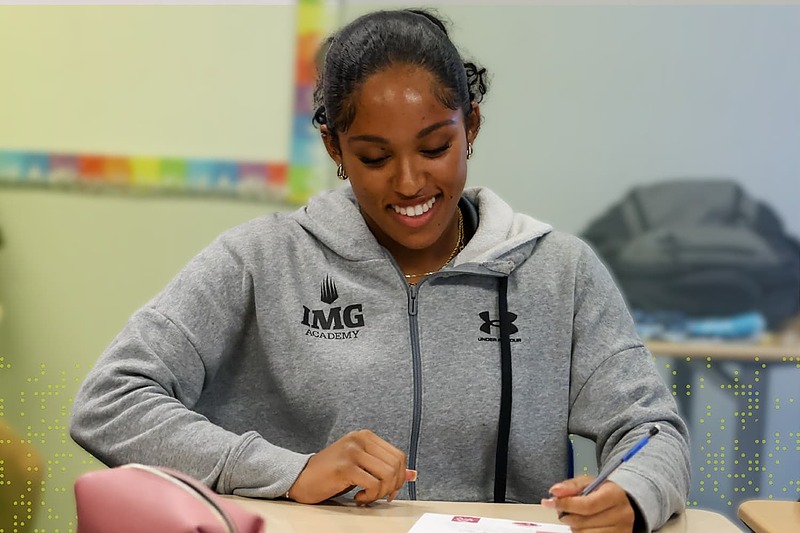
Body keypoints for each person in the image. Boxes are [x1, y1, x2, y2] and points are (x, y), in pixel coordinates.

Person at [70, 8, 690, 532]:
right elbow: (109, 402)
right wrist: (291, 471)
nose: (410, 182)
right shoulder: (259, 260)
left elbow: (652, 430)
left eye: (434, 147)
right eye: (373, 157)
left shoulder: (560, 273)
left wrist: (634, 493)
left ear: (469, 126)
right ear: (336, 149)